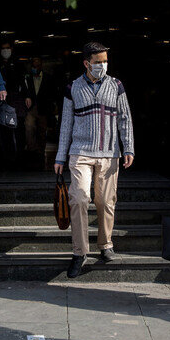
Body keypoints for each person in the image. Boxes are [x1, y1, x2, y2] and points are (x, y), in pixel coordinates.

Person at [54, 42, 134, 278]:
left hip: (109, 153)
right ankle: (79, 252)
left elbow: (125, 119)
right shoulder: (73, 88)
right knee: (78, 198)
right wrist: (60, 156)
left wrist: (128, 147)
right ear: (87, 63)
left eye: (105, 61)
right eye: (98, 62)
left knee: (106, 201)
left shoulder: (116, 85)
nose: (103, 65)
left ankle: (105, 243)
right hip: (80, 152)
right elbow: (66, 125)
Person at [25, 56, 58, 169]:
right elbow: (25, 90)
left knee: (42, 130)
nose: (35, 67)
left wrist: (52, 107)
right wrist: (27, 97)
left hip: (44, 108)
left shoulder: (48, 78)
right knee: (29, 128)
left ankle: (40, 152)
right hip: (32, 107)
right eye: (34, 65)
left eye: (37, 65)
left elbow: (53, 92)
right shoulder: (28, 78)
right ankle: (32, 151)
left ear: (41, 66)